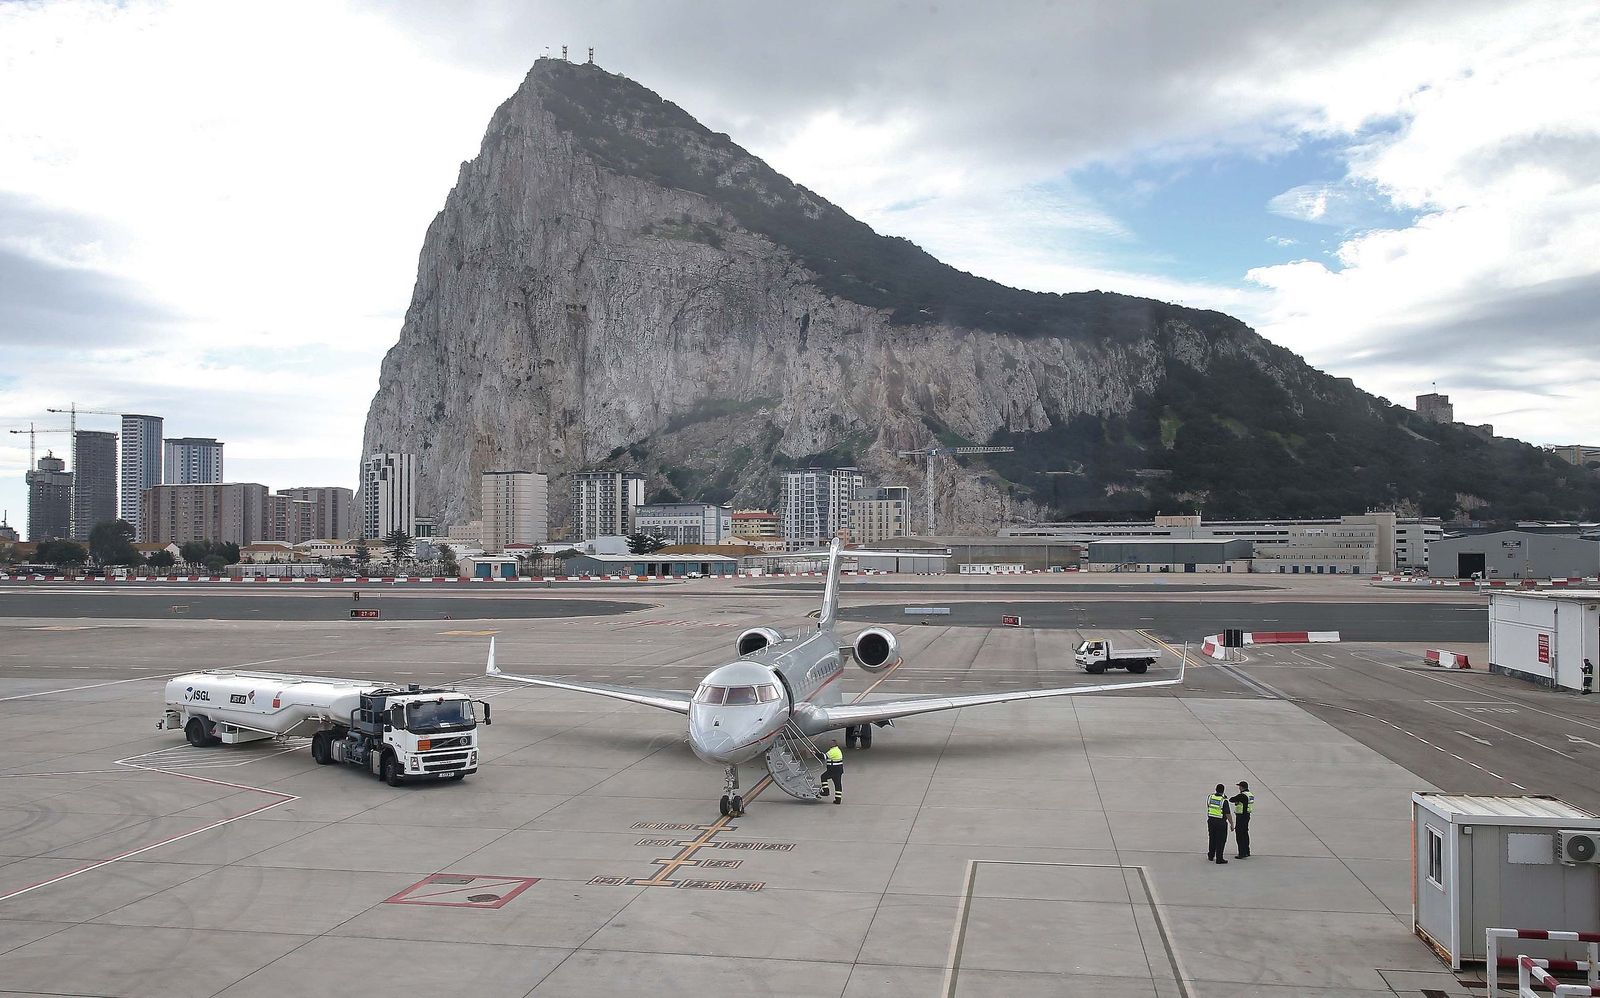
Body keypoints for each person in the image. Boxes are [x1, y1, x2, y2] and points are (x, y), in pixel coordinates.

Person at [1206, 783, 1233, 864]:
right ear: (1223, 791)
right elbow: (1227, 814)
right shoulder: (1224, 800)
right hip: (1220, 822)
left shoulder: (1210, 797)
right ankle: (1219, 858)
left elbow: (1208, 806)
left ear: (1216, 789)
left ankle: (1211, 855)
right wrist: (1232, 824)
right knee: (1221, 841)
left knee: (1212, 838)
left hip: (1211, 820)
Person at [1230, 781, 1255, 858]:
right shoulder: (1250, 795)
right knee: (1245, 834)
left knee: (1239, 835)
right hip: (1247, 815)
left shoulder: (1242, 795)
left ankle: (1241, 853)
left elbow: (1231, 799)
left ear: (1242, 787)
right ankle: (1247, 851)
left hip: (1241, 817)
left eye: (1239, 786)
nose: (1239, 788)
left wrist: (1237, 801)